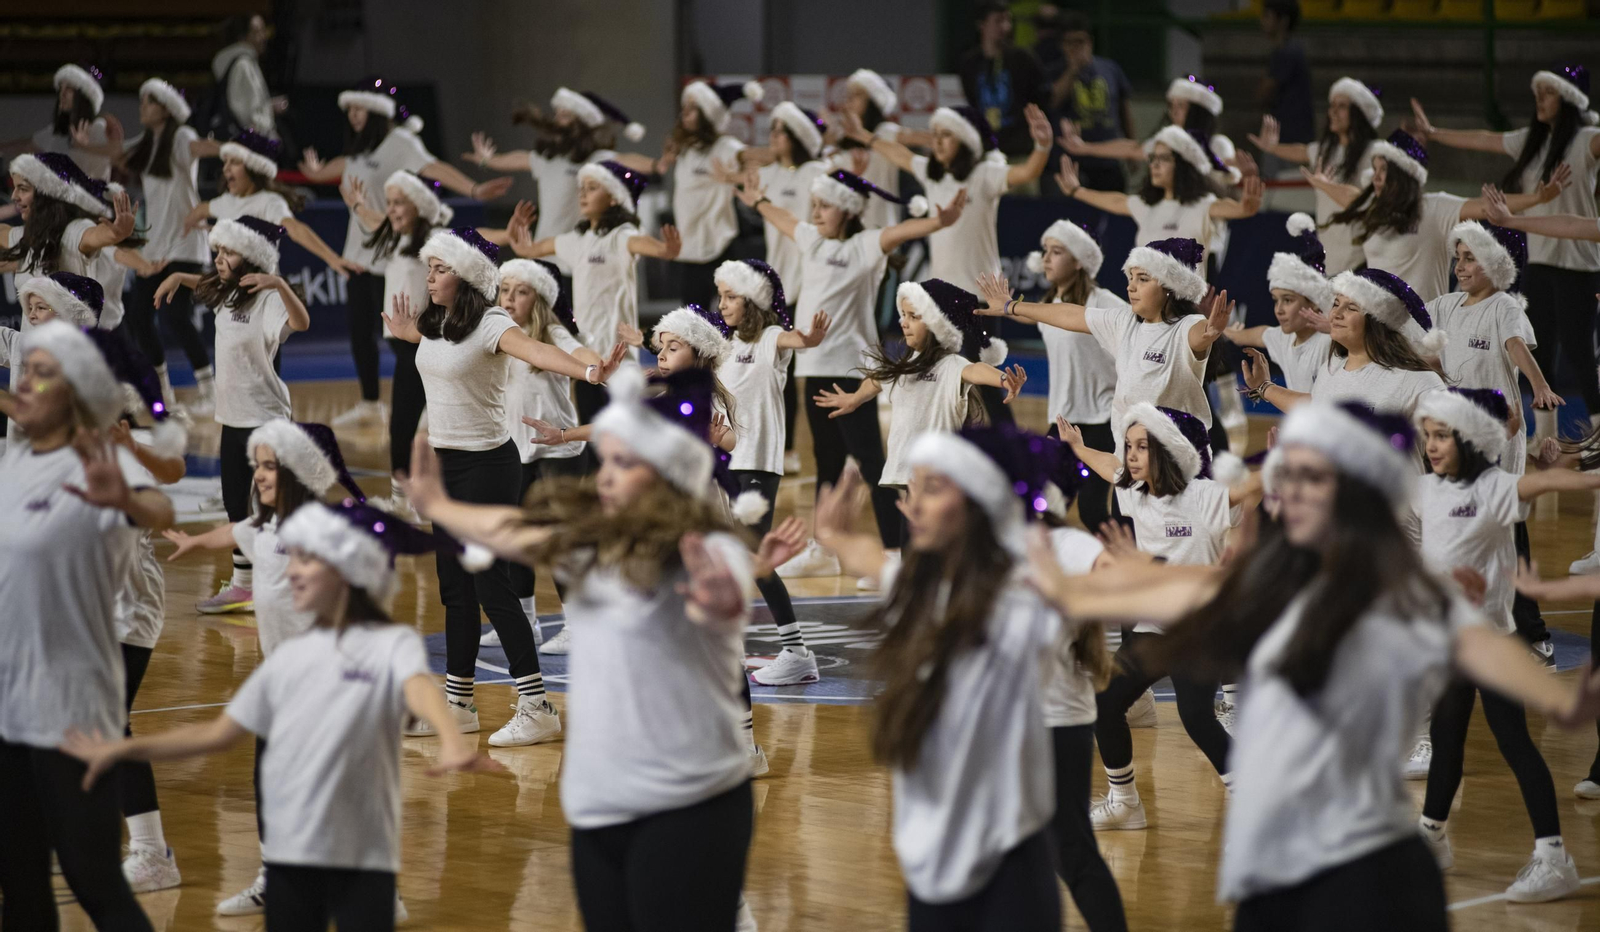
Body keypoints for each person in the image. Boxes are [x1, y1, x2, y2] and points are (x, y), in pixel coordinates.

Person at [1026, 398, 1600, 931]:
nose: (1288, 493)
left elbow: (1492, 652)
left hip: (1369, 870)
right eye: (1288, 478)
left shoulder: (1401, 594)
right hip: (1273, 865)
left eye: (1311, 479)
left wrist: (1565, 700)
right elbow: (1177, 589)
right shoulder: (1270, 584)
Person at [397, 368, 774, 932]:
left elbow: (720, 593)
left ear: (668, 474)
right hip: (599, 804)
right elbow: (512, 528)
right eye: (607, 460)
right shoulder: (590, 547)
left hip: (689, 802)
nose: (606, 477)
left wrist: (719, 596)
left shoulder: (703, 550)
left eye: (626, 464)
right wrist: (438, 504)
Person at [64, 499, 503, 932]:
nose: (290, 571)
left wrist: (452, 740)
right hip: (292, 857)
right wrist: (122, 748)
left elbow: (420, 688)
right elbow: (216, 735)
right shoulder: (287, 661)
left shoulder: (384, 643)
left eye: (307, 562)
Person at [810, 425, 1094, 931]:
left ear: (980, 504)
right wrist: (836, 538)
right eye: (915, 488)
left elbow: (1110, 593)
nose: (914, 506)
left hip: (1006, 870)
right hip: (928, 867)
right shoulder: (921, 591)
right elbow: (874, 562)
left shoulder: (1020, 608)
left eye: (934, 489)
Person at [382, 227, 624, 747]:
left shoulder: (492, 321)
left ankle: (537, 706)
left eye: (440, 268)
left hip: (488, 467)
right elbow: (438, 354)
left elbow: (536, 351)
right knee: (456, 592)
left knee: (492, 585)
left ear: (466, 275)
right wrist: (406, 334)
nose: (429, 275)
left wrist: (589, 370)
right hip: (445, 466)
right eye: (429, 267)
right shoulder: (437, 322)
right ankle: (458, 705)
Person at [0, 321, 179, 932]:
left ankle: (152, 852)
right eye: (23, 369)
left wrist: (126, 501)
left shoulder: (100, 460)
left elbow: (161, 505)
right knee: (19, 883)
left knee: (93, 881)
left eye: (40, 372)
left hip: (73, 709)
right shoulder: (15, 462)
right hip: (10, 707)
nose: (22, 381)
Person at [159, 418, 368, 916]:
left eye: (270, 466)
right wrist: (193, 543)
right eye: (258, 466)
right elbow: (233, 531)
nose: (259, 476)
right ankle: (273, 877)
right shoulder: (263, 528)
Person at [1412, 386, 1594, 903]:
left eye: (1443, 435)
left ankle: (1555, 858)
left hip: (1492, 643)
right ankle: (1431, 836)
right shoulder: (1427, 489)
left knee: (1514, 742)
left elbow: (1548, 481)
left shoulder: (1494, 487)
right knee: (1447, 738)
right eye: (1428, 435)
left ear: (1469, 437)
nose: (1432, 445)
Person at [733, 168, 965, 572]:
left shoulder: (863, 244)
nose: (816, 212)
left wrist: (938, 222)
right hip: (813, 365)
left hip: (853, 367)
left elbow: (899, 233)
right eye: (815, 205)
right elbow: (785, 220)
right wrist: (757, 202)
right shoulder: (811, 240)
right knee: (826, 459)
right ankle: (826, 550)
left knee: (872, 461)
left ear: (848, 209)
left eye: (825, 205)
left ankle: (894, 551)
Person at [1060, 404, 1256, 829]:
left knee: (1197, 717)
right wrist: (1078, 447)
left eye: (1141, 446)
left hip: (1198, 630)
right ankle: (1125, 802)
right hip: (1152, 629)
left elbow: (1246, 491)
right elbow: (1108, 465)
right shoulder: (1134, 492)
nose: (1130, 454)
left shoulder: (1203, 496)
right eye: (1129, 445)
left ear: (1167, 450)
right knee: (1103, 702)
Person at [298, 79, 516, 427]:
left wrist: (473, 188)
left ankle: (430, 400)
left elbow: (434, 167)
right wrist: (315, 173)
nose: (353, 115)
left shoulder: (400, 143)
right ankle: (370, 403)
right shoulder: (359, 150)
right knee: (360, 334)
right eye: (349, 110)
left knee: (409, 339)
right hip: (356, 255)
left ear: (375, 112)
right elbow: (342, 168)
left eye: (359, 109)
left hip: (390, 258)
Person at [1413, 64, 1600, 443]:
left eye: (1547, 93)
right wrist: (1435, 133)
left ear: (1567, 99)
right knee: (1541, 346)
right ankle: (1545, 434)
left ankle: (1596, 433)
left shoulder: (1587, 138)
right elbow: (1485, 138)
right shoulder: (1531, 141)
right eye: (1537, 94)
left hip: (1580, 264)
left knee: (1580, 350)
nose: (1539, 101)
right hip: (1542, 259)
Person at [976, 237, 1235, 456]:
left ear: (1170, 287)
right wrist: (1011, 306)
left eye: (1142, 278)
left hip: (1176, 461)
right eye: (1131, 277)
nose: (1131, 286)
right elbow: (1069, 314)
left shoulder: (1186, 326)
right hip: (1132, 457)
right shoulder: (1123, 322)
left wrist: (1210, 331)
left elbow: (1199, 334)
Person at [1430, 220, 1560, 654]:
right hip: (1455, 444)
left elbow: (1515, 346)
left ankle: (1534, 634)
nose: (1460, 266)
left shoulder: (1504, 306)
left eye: (1470, 258)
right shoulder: (1446, 306)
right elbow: (1405, 321)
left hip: (1500, 440)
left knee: (1507, 538)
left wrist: (1539, 384)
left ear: (1495, 264)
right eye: (1458, 256)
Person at [815, 279, 1027, 535]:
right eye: (903, 315)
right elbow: (876, 380)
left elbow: (976, 370)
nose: (903, 322)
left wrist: (1003, 379)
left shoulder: (951, 365)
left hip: (940, 482)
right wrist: (854, 399)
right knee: (915, 555)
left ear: (937, 324)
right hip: (911, 484)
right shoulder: (904, 368)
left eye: (913, 316)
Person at [506, 159, 684, 422]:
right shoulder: (576, 240)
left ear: (614, 199)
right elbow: (528, 250)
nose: (583, 194)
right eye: (582, 188)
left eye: (592, 188)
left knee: (627, 428)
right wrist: (517, 232)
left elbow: (648, 245)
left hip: (618, 351)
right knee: (593, 423)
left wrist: (665, 250)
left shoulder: (621, 235)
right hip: (585, 352)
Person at [1305, 128, 1566, 302]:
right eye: (1374, 169)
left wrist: (1538, 198)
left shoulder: (1435, 208)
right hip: (1380, 329)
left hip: (1425, 333)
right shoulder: (1375, 208)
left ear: (1403, 173)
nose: (1376, 177)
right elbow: (1349, 196)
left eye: (1383, 169)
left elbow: (1487, 205)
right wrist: (1322, 184)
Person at [340, 169, 454, 517]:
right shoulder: (396, 234)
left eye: (399, 202)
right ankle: (413, 499)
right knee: (416, 424)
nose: (391, 209)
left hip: (425, 342)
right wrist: (359, 206)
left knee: (406, 424)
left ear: (418, 204)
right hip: (405, 344)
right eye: (389, 202)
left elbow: (473, 240)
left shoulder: (435, 239)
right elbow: (377, 219)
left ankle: (406, 502)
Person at [114, 78, 219, 416]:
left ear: (166, 108)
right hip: (155, 248)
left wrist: (234, 149)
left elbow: (202, 147)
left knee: (176, 315)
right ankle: (163, 393)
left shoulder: (181, 138)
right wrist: (82, 143)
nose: (142, 107)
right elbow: (116, 153)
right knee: (139, 316)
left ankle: (209, 390)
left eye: (149, 101)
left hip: (186, 245)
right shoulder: (147, 144)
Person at [610, 79, 762, 305]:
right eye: (685, 108)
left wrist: (732, 178)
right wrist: (661, 163)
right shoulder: (684, 149)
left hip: (721, 245)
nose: (685, 114)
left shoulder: (725, 146)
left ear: (708, 114)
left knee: (732, 317)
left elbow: (755, 166)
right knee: (692, 323)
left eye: (693, 109)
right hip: (690, 249)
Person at [467, 87, 640, 265]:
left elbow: (628, 160)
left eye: (564, 115)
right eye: (557, 114)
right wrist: (487, 161)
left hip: (578, 257)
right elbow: (520, 158)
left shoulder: (595, 159)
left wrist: (658, 165)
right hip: (543, 252)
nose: (557, 120)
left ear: (581, 123)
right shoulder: (547, 160)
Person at [1025, 220, 1124, 531]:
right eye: (1045, 251)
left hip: (1102, 421)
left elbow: (1139, 332)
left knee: (1092, 510)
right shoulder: (1049, 304)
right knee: (1042, 506)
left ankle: (1124, 564)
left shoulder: (1102, 302)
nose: (1046, 258)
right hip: (1063, 421)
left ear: (1079, 261)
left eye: (1057, 252)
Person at [1249, 76, 1384, 273]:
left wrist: (1329, 186)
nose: (1333, 112)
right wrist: (1272, 147)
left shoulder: (1374, 152)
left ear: (1359, 113)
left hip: (1362, 254)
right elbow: (1302, 151)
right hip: (1329, 250)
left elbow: (1366, 201)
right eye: (1332, 106)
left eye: (1342, 106)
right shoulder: (1326, 151)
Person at [183, 129, 355, 275]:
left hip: (263, 300)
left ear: (253, 168)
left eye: (234, 162)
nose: (226, 168)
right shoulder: (224, 202)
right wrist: (185, 231)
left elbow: (295, 229)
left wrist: (332, 258)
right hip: (231, 302)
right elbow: (200, 210)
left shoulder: (269, 201)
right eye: (225, 161)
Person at [1221, 213, 1334, 394]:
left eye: (1288, 300)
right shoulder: (1284, 338)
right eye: (1275, 300)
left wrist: (1265, 389)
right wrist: (1227, 332)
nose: (1279, 310)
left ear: (1314, 302)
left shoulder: (1330, 343)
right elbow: (1259, 334)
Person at [1045, 12, 1135, 192]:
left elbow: (1124, 111)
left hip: (1108, 159)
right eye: (1070, 42)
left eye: (1081, 41)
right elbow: (1052, 101)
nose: (1076, 48)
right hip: (1070, 161)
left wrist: (1131, 150)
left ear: (1090, 42)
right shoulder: (1054, 71)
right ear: (1062, 45)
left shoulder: (1110, 68)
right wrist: (1073, 70)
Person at [958, 0, 1049, 159]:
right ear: (982, 25)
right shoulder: (970, 63)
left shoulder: (1023, 59)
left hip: (1020, 151)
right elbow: (972, 101)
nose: (1005, 27)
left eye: (1008, 20)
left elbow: (1042, 98)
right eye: (998, 21)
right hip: (986, 151)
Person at [0, 63, 118, 181]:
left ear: (83, 96)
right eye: (61, 88)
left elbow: (100, 172)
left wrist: (83, 148)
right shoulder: (56, 132)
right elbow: (27, 145)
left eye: (69, 89)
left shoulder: (98, 127)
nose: (62, 94)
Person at [1257, 0, 1314, 160]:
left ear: (1283, 21)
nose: (1263, 21)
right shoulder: (1282, 51)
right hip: (1283, 134)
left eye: (1267, 16)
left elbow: (1264, 93)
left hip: (1288, 137)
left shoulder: (1287, 52)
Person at [211, 14, 281, 140]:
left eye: (263, 30)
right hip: (249, 143)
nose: (263, 36)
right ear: (243, 36)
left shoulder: (249, 63)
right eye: (257, 31)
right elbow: (244, 112)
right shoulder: (242, 65)